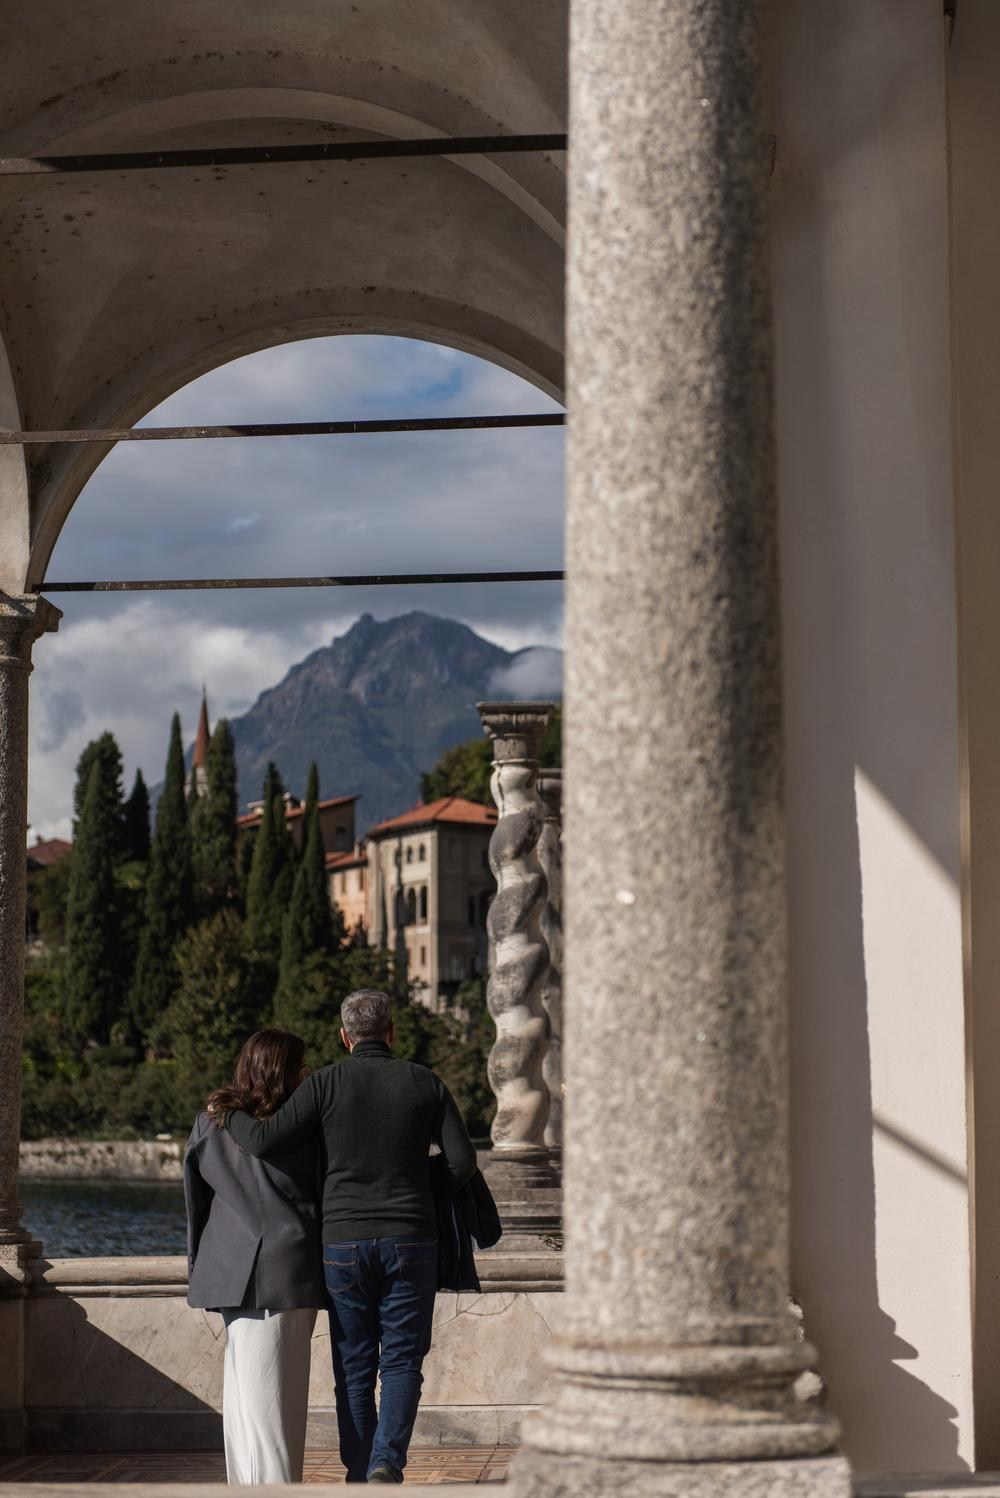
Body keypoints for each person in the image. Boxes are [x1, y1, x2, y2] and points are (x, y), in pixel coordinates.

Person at [224, 989, 477, 1485]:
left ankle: (360, 1475)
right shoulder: (425, 1082)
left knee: (354, 1366)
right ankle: (387, 1463)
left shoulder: (324, 1083)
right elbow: (463, 1163)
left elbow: (260, 1141)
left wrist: (226, 1109)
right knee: (403, 1361)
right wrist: (420, 1185)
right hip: (411, 1238)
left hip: (341, 1244)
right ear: (392, 1031)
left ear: (344, 1037)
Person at [184, 1029, 326, 1485]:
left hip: (230, 1272)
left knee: (244, 1414)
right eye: (302, 1068)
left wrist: (202, 1269)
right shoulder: (302, 1125)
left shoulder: (211, 1123)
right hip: (288, 1272)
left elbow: (196, 1206)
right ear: (287, 1073)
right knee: (276, 1419)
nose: (307, 1074)